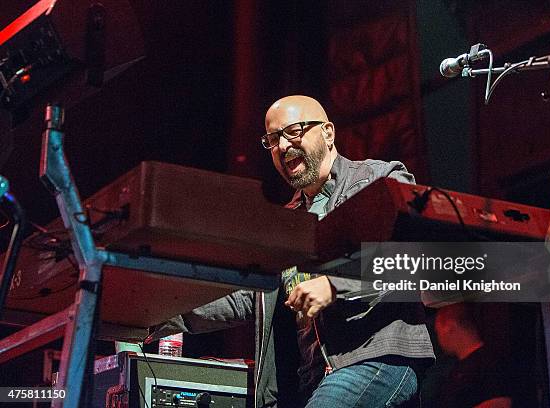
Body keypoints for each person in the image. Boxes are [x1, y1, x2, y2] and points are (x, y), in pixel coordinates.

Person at [152, 95, 434, 407]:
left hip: (378, 358)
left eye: (294, 131)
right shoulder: (286, 223)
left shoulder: (377, 178)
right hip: (315, 379)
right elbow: (246, 295)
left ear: (328, 132)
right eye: (273, 139)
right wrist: (155, 315)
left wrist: (335, 286)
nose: (283, 146)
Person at [434, 303, 513, 408]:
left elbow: (501, 403)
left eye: (438, 332)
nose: (439, 338)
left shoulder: (490, 363)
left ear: (450, 327)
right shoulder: (457, 369)